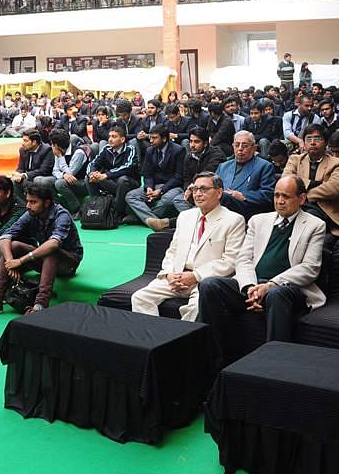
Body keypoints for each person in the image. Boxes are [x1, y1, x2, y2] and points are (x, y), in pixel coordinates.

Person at [199, 176, 327, 361]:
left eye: (286, 196)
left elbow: (310, 268)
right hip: (253, 284)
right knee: (209, 285)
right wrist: (249, 287)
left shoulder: (315, 225)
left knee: (276, 294)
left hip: (288, 288)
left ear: (302, 198)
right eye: (276, 195)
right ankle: (215, 357)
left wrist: (270, 285)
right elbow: (243, 259)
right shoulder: (258, 221)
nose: (280, 201)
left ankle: (273, 362)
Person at [131, 172, 245, 321]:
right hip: (176, 276)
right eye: (194, 189)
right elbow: (172, 251)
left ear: (219, 193)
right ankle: (154, 335)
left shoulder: (234, 220)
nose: (197, 194)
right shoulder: (185, 216)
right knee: (140, 298)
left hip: (205, 280)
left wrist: (195, 276)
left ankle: (182, 336)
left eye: (204, 189)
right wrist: (169, 274)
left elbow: (230, 261)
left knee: (196, 308)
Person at [0, 182, 84, 319]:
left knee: (51, 250)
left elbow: (54, 244)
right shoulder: (31, 213)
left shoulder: (62, 215)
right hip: (44, 260)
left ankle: (40, 305)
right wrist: (10, 262)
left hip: (68, 263)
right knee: (13, 245)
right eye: (28, 201)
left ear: (46, 203)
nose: (28, 205)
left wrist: (20, 261)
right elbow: (5, 237)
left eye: (33, 202)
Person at [282, 124, 339, 235]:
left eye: (317, 139)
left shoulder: (337, 163)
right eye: (308, 139)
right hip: (296, 206)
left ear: (326, 143)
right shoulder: (295, 159)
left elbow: (334, 188)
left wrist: (304, 196)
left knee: (304, 219)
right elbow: (286, 181)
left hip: (323, 210)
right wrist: (313, 183)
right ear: (304, 143)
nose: (312, 143)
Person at [125, 124, 186, 228]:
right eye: (150, 137)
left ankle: (140, 218)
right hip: (155, 185)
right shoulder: (150, 150)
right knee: (131, 196)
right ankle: (155, 221)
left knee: (167, 199)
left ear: (164, 139)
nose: (151, 141)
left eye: (154, 138)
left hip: (173, 186)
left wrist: (161, 190)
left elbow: (178, 176)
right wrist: (149, 187)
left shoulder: (179, 150)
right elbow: (147, 174)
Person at [215, 131, 275, 220]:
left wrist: (243, 196)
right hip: (220, 209)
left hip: (247, 211)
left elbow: (268, 194)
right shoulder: (223, 166)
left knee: (224, 197)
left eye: (245, 146)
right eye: (237, 145)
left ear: (254, 148)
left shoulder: (264, 166)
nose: (240, 149)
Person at [85, 125, 139, 218]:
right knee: (89, 178)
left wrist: (106, 175)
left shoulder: (130, 149)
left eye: (114, 137)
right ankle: (97, 207)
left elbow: (127, 167)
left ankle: (117, 213)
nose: (110, 139)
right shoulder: (106, 148)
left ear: (122, 139)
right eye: (109, 136)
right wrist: (92, 173)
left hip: (129, 183)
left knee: (122, 179)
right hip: (112, 182)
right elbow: (93, 163)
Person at [11, 129, 54, 203]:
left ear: (34, 142)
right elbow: (21, 168)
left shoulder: (47, 150)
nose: (23, 144)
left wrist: (23, 175)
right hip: (28, 178)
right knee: (13, 181)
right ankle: (23, 205)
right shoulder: (23, 150)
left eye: (25, 141)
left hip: (41, 178)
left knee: (36, 181)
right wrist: (17, 174)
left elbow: (43, 171)